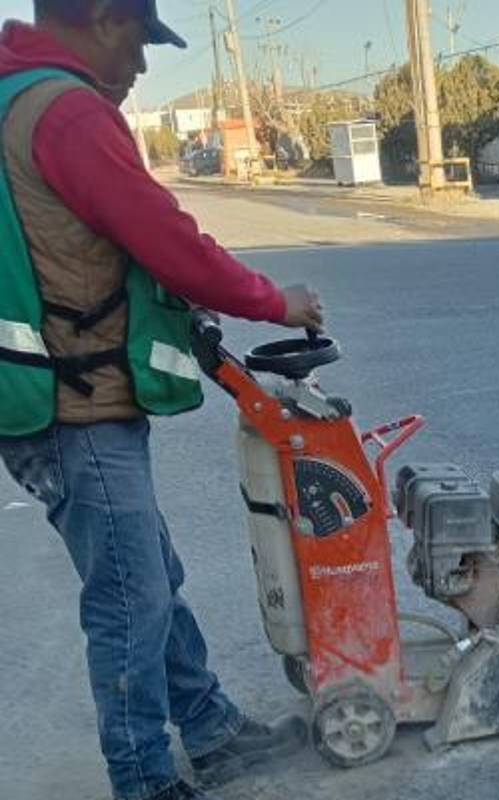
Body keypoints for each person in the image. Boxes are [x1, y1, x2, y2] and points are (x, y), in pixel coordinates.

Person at [0, 3, 324, 799]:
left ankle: (209, 728)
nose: (143, 67)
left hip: (47, 390)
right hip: (76, 399)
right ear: (103, 18)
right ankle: (143, 778)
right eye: (140, 43)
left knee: (148, 571)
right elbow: (165, 238)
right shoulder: (65, 110)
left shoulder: (16, 96)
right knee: (130, 594)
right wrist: (274, 301)